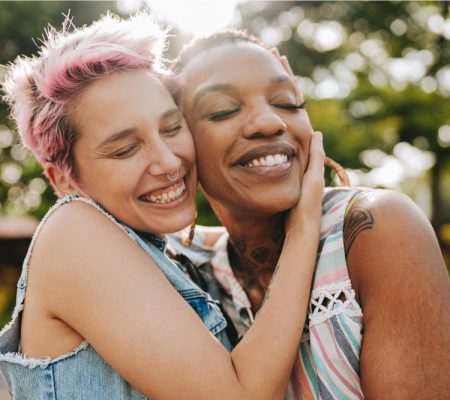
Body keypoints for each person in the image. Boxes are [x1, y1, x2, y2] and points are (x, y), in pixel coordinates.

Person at [0, 15, 325, 399]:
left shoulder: (159, 250)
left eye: (172, 128)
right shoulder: (73, 232)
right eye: (125, 149)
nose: (169, 162)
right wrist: (303, 225)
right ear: (64, 180)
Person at [169, 30, 450, 399]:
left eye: (287, 102)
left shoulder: (376, 228)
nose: (270, 123)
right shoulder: (184, 268)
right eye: (223, 109)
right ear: (180, 144)